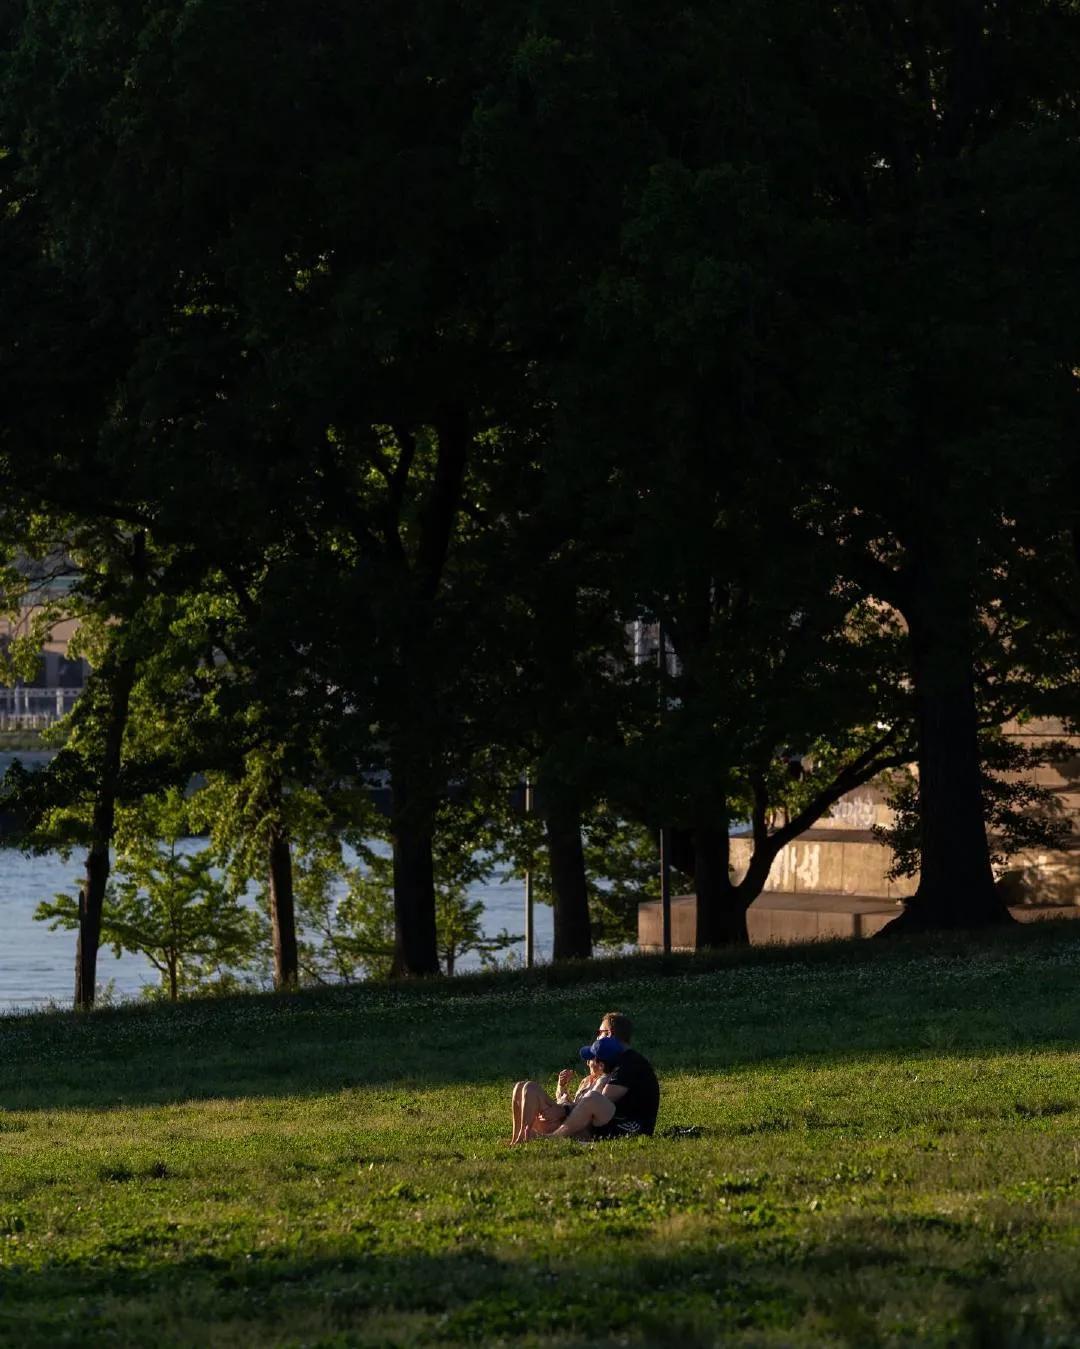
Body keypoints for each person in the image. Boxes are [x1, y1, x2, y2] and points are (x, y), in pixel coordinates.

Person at [509, 1010, 660, 1143]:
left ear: (609, 1034)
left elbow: (601, 1099)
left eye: (599, 1032)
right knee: (525, 1086)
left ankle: (553, 1138)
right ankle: (519, 1137)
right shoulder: (618, 1060)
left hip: (632, 1128)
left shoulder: (630, 1063)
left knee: (593, 1098)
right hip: (607, 1123)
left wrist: (564, 1110)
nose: (597, 1037)